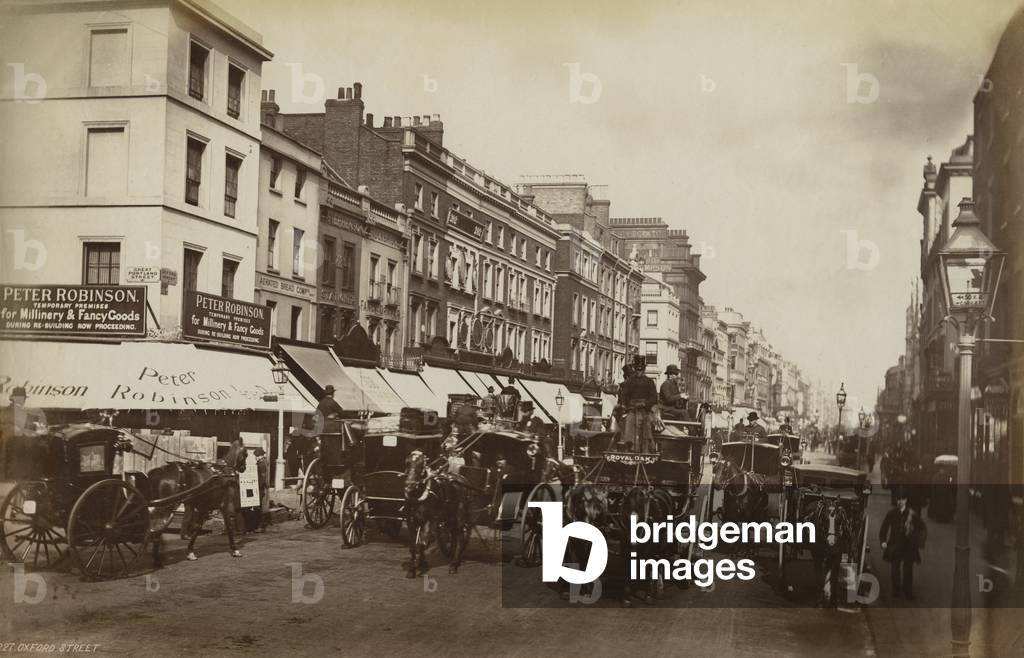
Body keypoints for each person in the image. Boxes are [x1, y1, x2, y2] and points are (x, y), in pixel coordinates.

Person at [879, 490, 927, 600]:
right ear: (896, 500)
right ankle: (896, 590)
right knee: (895, 568)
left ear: (906, 500)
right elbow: (884, 528)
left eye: (902, 499)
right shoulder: (891, 513)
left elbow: (921, 528)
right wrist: (883, 541)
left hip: (909, 546)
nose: (900, 502)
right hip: (895, 545)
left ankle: (908, 592)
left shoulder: (912, 514)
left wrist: (918, 541)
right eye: (898, 499)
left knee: (908, 569)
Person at [618, 355, 658, 453]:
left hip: (645, 410)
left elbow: (654, 398)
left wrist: (644, 404)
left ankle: (648, 445)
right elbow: (624, 395)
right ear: (635, 369)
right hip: (632, 409)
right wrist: (624, 404)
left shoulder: (650, 382)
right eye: (637, 369)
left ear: (644, 369)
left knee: (647, 422)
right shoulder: (629, 382)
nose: (639, 371)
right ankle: (629, 444)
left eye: (641, 369)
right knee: (629, 419)